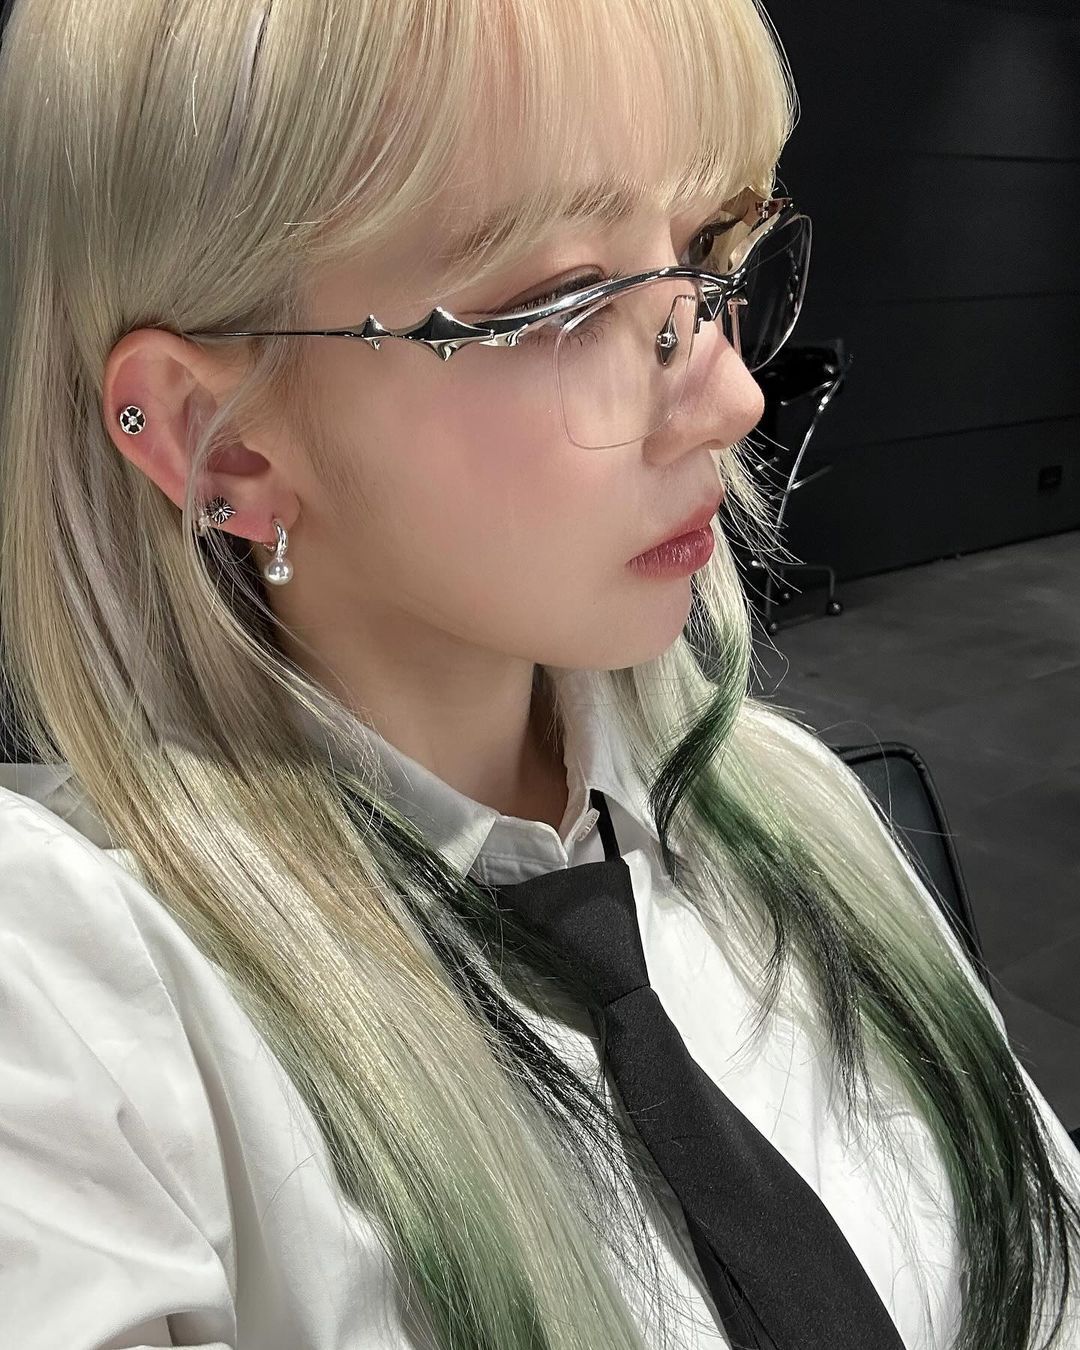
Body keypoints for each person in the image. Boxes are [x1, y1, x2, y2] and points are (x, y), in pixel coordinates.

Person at [0, 1, 1077, 1348]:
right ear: (222, 437)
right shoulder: (71, 1003)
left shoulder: (794, 809)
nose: (735, 398)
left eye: (709, 254)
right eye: (566, 304)